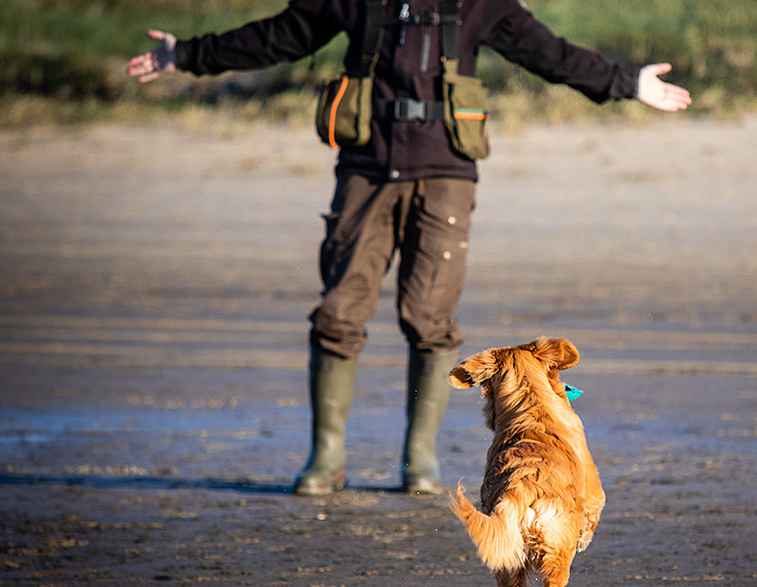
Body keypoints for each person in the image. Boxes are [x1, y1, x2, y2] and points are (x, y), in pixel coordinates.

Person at [127, 0, 691, 497]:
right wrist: (187, 55)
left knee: (429, 317)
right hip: (365, 171)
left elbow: (549, 53)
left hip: (445, 176)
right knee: (338, 312)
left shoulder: (478, 1)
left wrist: (627, 83)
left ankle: (418, 460)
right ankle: (326, 459)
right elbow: (279, 35)